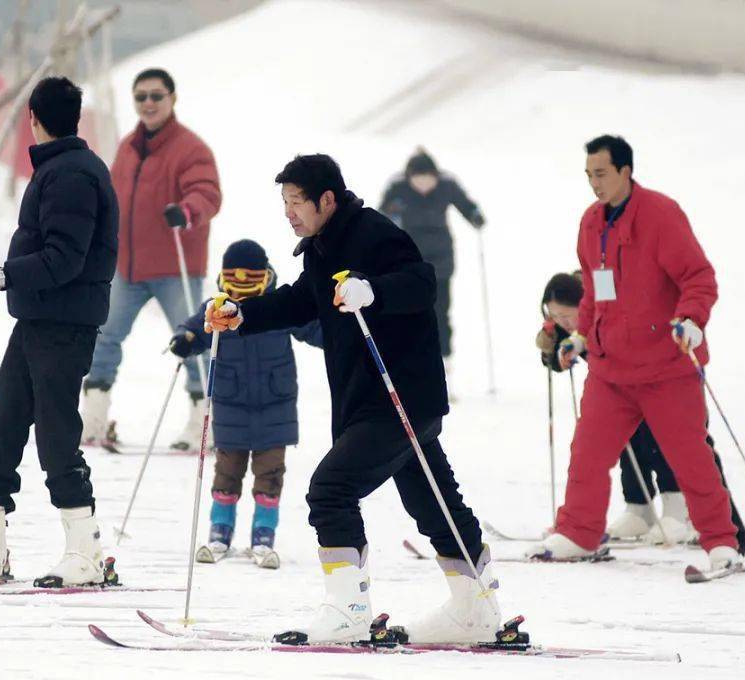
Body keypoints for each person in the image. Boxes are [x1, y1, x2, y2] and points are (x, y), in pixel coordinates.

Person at [206, 154, 500, 644]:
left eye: (296, 201)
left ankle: (349, 610)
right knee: (434, 502)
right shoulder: (324, 246)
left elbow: (421, 282)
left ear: (327, 199)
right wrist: (242, 314)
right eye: (284, 202)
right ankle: (476, 606)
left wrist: (373, 291)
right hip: (385, 400)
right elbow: (303, 300)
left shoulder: (373, 233)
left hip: (397, 398)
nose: (288, 212)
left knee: (330, 490)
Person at [528, 135, 742, 572]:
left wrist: (692, 319)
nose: (594, 183)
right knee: (587, 452)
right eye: (589, 175)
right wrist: (581, 337)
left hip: (666, 365)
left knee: (690, 457)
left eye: (602, 174)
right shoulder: (591, 223)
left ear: (626, 171)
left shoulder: (661, 214)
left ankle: (721, 542)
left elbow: (699, 277)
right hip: (611, 370)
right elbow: (594, 293)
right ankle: (579, 532)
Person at [0, 77, 118, 587]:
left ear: (33, 118)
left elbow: (64, 259)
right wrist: (0, 275)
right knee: (2, 426)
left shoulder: (71, 175)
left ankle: (85, 553)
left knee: (55, 434)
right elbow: (48, 254)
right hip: (38, 320)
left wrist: (1, 277)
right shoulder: (63, 169)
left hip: (65, 325)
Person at [536, 272, 745, 552]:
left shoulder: (605, 298)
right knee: (623, 442)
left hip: (664, 373)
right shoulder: (580, 310)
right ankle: (639, 507)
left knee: (675, 443)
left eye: (566, 316)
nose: (563, 322)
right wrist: (551, 351)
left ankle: (685, 512)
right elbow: (565, 353)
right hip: (618, 382)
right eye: (556, 317)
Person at [82, 67, 221, 451]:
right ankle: (93, 417)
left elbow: (207, 192)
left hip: (174, 266)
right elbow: (111, 196)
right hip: (127, 266)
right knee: (104, 336)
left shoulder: (191, 148)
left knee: (192, 339)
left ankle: (202, 423)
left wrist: (187, 210)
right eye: (140, 96)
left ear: (172, 99)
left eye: (156, 96)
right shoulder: (128, 147)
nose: (148, 103)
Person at [170, 239, 323, 569]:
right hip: (230, 405)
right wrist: (187, 339)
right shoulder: (218, 308)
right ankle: (219, 532)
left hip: (275, 405)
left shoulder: (279, 305)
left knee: (270, 475)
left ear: (264, 276)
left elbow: (312, 328)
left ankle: (263, 536)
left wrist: (339, 332)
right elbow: (196, 327)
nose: (241, 290)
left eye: (249, 281)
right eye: (234, 281)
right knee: (227, 472)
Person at [380, 149, 485, 377]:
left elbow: (465, 204)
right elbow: (382, 214)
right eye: (418, 179)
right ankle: (410, 359)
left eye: (428, 179)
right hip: (409, 259)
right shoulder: (398, 187)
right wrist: (390, 220)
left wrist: (475, 215)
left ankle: (444, 362)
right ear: (410, 177)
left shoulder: (447, 184)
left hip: (441, 261)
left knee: (440, 312)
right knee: (409, 309)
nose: (424, 184)